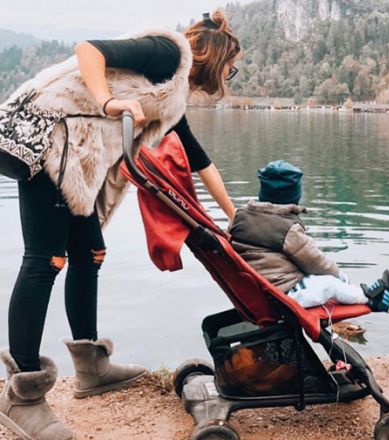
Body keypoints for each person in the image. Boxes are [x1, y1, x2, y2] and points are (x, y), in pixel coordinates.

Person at [0, 10, 239, 440]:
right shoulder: (168, 53)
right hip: (43, 134)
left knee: (90, 253)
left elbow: (201, 161)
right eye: (230, 68)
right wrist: (109, 102)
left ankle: (91, 368)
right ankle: (23, 395)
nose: (228, 76)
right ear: (216, 59)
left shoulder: (171, 94)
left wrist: (234, 216)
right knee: (45, 260)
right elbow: (88, 50)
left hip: (77, 157)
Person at [229, 160, 389, 312]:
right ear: (295, 197)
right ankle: (372, 300)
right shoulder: (287, 229)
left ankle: (357, 291)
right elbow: (317, 263)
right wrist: (338, 275)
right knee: (331, 284)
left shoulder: (239, 217)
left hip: (259, 290)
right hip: (284, 295)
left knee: (333, 282)